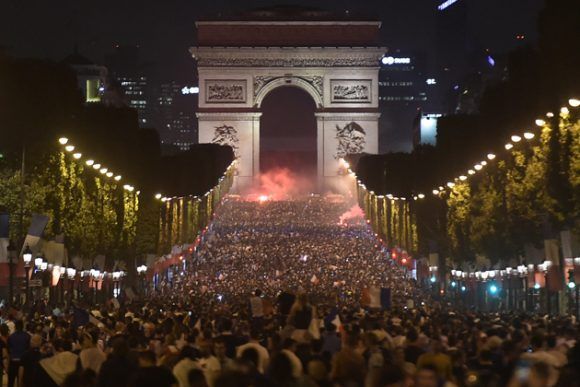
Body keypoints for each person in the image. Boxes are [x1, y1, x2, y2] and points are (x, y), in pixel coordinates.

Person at [7, 320, 30, 387]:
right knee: (21, 383)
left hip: (13, 362)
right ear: (23, 327)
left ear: (15, 327)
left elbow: (8, 351)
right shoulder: (27, 336)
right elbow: (28, 350)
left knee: (10, 383)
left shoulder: (11, 337)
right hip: (23, 363)